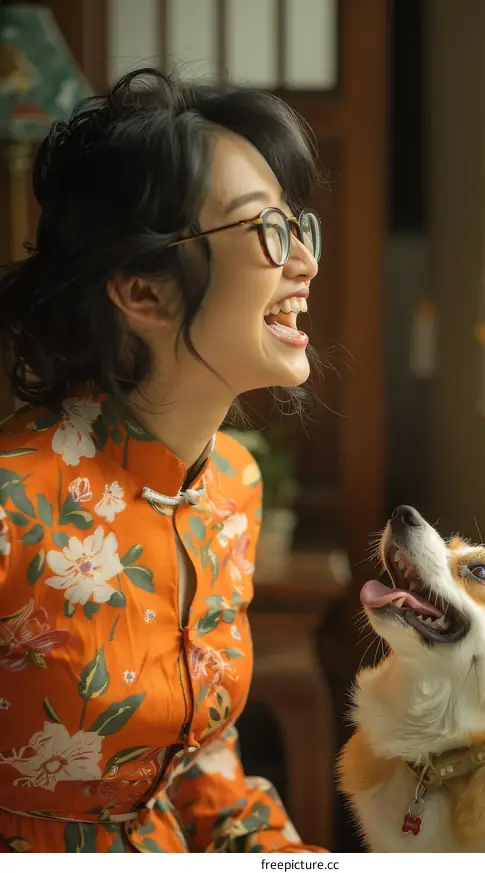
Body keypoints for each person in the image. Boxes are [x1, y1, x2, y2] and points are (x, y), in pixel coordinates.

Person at [0, 68, 325, 853]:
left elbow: (198, 758)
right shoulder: (12, 505)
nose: (305, 264)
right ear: (142, 291)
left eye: (298, 225)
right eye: (263, 230)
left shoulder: (230, 487)